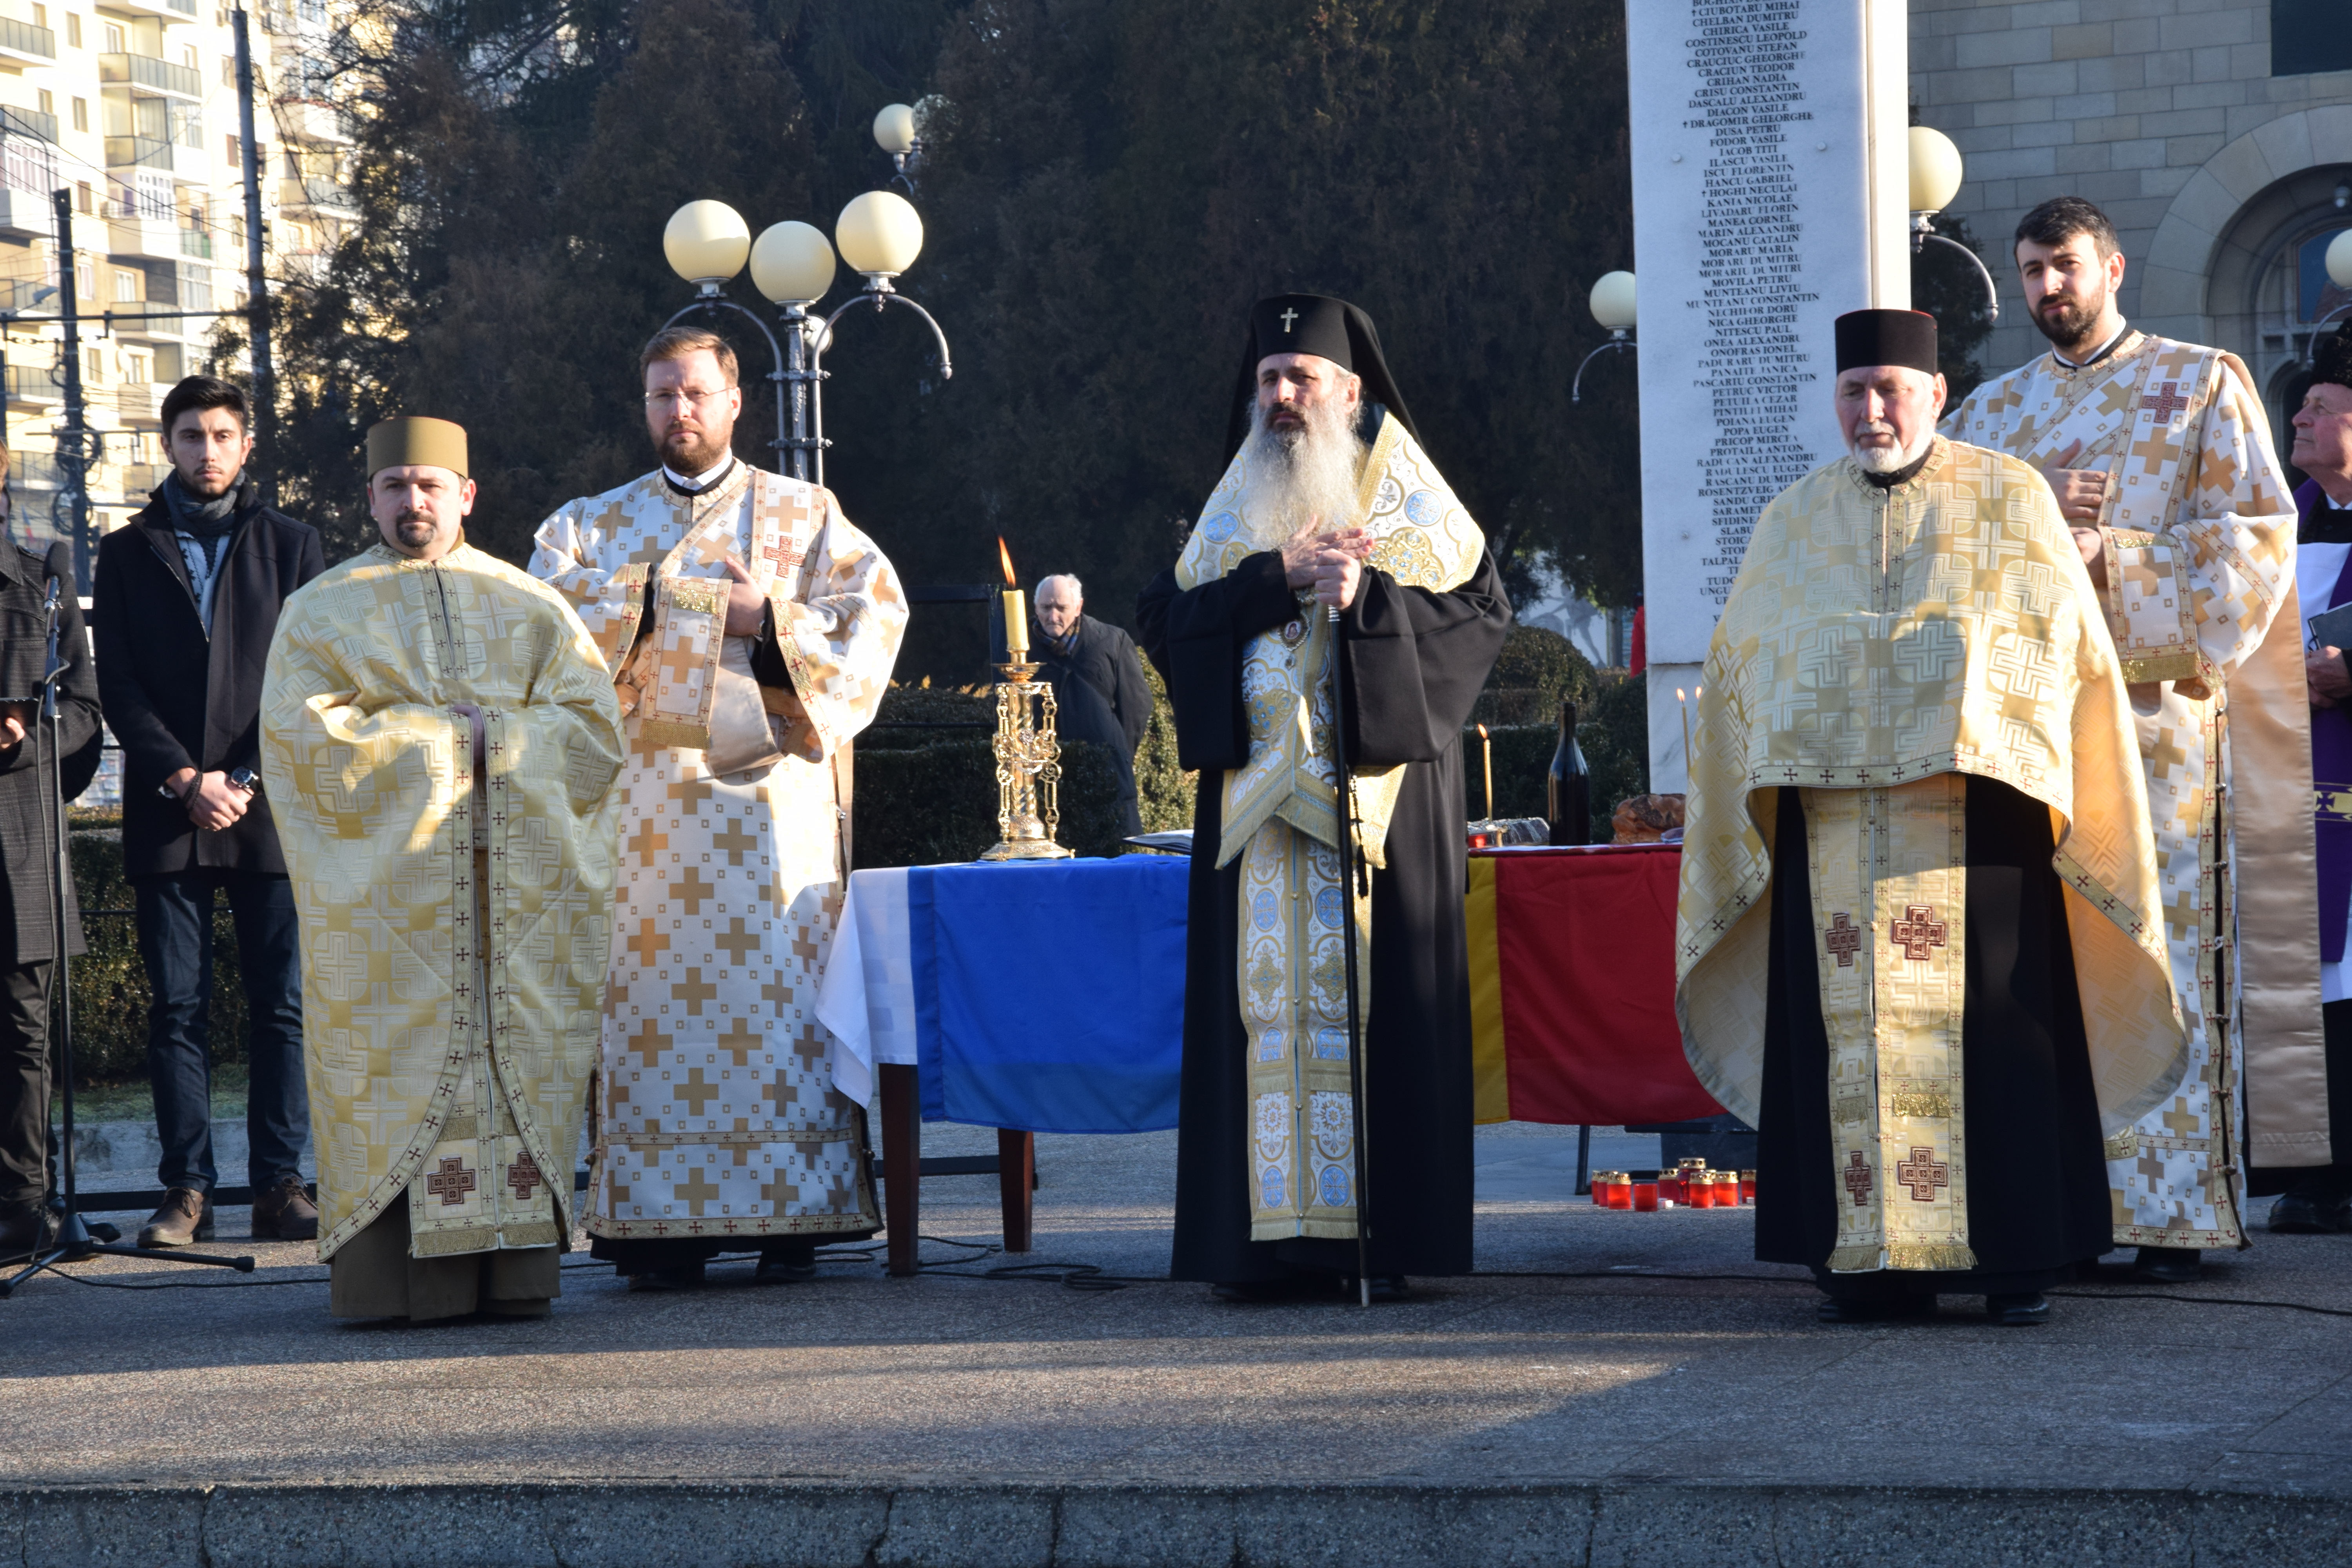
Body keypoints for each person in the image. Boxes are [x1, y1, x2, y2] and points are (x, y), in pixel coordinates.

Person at [1678, 309, 2187, 1327]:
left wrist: (1937, 679)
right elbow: (1745, 656)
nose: (1874, 411)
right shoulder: (1791, 520)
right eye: (1855, 392)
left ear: (1938, 394)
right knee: (1844, 1034)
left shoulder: (2010, 497)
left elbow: (2060, 651)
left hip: (1979, 824)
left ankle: (2012, 1257)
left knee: (1997, 1028)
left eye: (1892, 391)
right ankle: (1867, 1263)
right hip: (1830, 826)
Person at [1944, 196, 2319, 1283]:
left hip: (2158, 741)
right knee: (2041, 973)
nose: (2047, 288)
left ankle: (2169, 1212)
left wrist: (2112, 553)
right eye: (2029, 271)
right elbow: (1951, 568)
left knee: (2153, 964)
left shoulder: (2203, 383)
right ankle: (2059, 1200)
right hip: (2030, 732)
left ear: (2110, 266)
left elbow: (2255, 550)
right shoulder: (1989, 414)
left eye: (2064, 265)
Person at [1136, 294, 1508, 1301]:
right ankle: (1256, 1246)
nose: (1283, 396)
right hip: (1254, 821)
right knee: (1261, 1023)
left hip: (1375, 822)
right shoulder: (1238, 496)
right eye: (1268, 379)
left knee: (1374, 1021)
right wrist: (1272, 578)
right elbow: (1167, 619)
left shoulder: (1413, 498)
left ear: (1351, 388)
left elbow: (1477, 617)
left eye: (1301, 377)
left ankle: (1370, 1243)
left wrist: (1371, 601)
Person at [531, 326, 907, 1290]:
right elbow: (544, 624)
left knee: (783, 1011)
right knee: (650, 1010)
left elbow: (875, 618)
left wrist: (767, 620)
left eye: (695, 392)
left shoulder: (806, 513)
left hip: (773, 831)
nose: (679, 411)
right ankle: (663, 1228)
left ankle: (796, 1215)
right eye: (662, 395)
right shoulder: (591, 526)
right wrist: (660, 598)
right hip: (645, 835)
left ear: (737, 402)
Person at [260, 417, 622, 1321]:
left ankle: (515, 1277)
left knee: (512, 1076)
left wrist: (495, 740)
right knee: (392, 1076)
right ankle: (392, 1288)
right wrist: (440, 746)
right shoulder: (322, 612)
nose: (411, 502)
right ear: (370, 498)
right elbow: (304, 746)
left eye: (429, 485)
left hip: (518, 917)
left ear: (466, 494)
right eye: (394, 487)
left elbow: (593, 743)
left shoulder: (536, 608)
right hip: (389, 918)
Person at [93, 375, 325, 1250]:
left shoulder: (293, 544)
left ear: (246, 445)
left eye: (224, 434)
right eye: (192, 435)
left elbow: (309, 681)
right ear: (169, 445)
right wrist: (186, 778)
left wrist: (245, 777)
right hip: (168, 810)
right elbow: (117, 683)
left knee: (282, 1006)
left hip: (268, 810)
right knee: (176, 1009)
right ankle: (186, 1190)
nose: (208, 450)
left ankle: (280, 1185)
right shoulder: (125, 552)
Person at [0, 454, 101, 1258]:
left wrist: (27, 736)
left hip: (18, 839)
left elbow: (84, 711)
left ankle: (25, 1202)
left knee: (22, 1032)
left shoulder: (43, 573)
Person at [2276, 322, 2352, 1233]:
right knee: (2315, 981)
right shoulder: (2280, 523)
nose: (2299, 417)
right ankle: (2317, 1172)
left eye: (2321, 407)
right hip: (2294, 777)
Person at [1033, 573, 1152, 838]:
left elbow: (1136, 707)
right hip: (1043, 788)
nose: (1053, 616)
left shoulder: (1113, 641)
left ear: (1078, 607)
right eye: (1045, 608)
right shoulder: (1021, 652)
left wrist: (1116, 752)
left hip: (1108, 783)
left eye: (1061, 608)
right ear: (1035, 608)